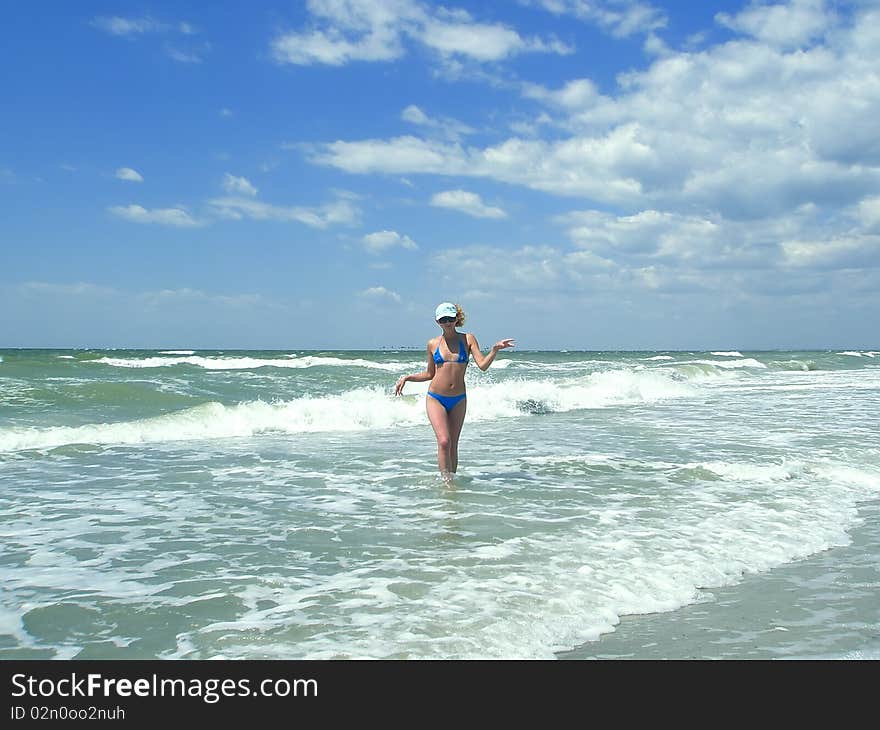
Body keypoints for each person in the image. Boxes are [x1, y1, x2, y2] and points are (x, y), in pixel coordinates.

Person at [394, 302, 515, 483]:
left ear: (456, 319)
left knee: (453, 445)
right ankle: (446, 482)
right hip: (436, 398)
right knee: (444, 442)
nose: (448, 322)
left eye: (451, 318)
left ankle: (453, 480)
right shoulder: (432, 344)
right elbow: (430, 374)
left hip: (459, 399)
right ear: (437, 321)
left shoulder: (468, 339)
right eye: (443, 319)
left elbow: (482, 366)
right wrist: (408, 377)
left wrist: (495, 350)